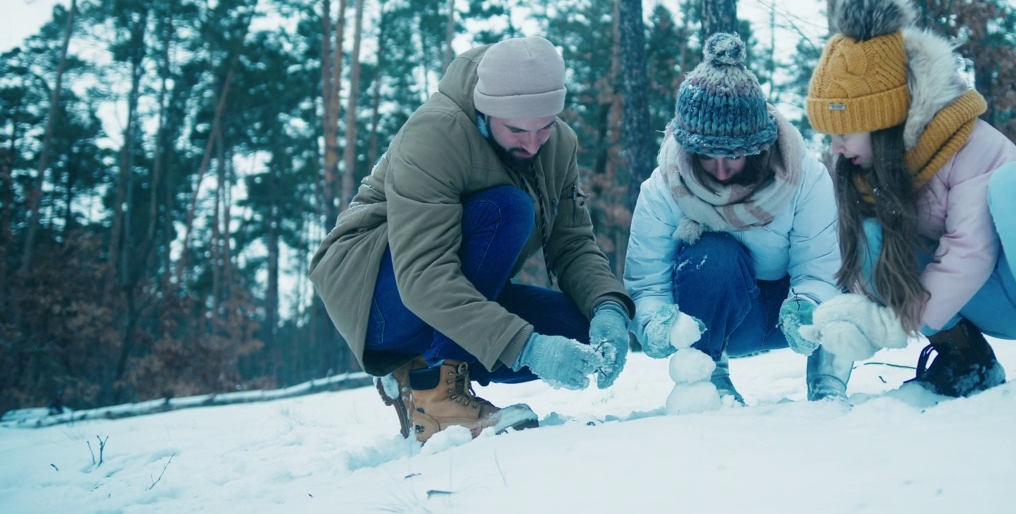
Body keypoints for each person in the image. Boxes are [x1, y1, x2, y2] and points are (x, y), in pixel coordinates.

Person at [309, 36, 634, 443]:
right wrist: (527, 348)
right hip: (377, 296)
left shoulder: (559, 144)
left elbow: (571, 242)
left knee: (579, 328)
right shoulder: (433, 135)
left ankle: (416, 366)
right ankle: (438, 396)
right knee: (509, 210)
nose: (533, 144)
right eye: (516, 130)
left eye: (545, 127)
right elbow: (424, 276)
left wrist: (608, 307)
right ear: (485, 110)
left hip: (452, 287)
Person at [801, 0, 1016, 396]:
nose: (836, 146)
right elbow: (876, 266)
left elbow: (970, 250)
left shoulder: (966, 142)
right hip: (986, 302)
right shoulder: (860, 166)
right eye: (830, 133)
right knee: (871, 234)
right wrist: (862, 318)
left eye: (846, 131)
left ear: (885, 121)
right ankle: (965, 357)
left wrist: (899, 321)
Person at [624, 32, 846, 404]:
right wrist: (655, 323)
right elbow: (647, 282)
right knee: (712, 256)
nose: (722, 170)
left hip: (788, 314)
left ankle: (828, 379)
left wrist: (806, 303)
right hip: (718, 319)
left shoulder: (804, 176)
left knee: (857, 261)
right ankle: (710, 377)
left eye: (735, 156)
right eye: (708, 156)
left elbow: (820, 265)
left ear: (759, 148)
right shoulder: (664, 187)